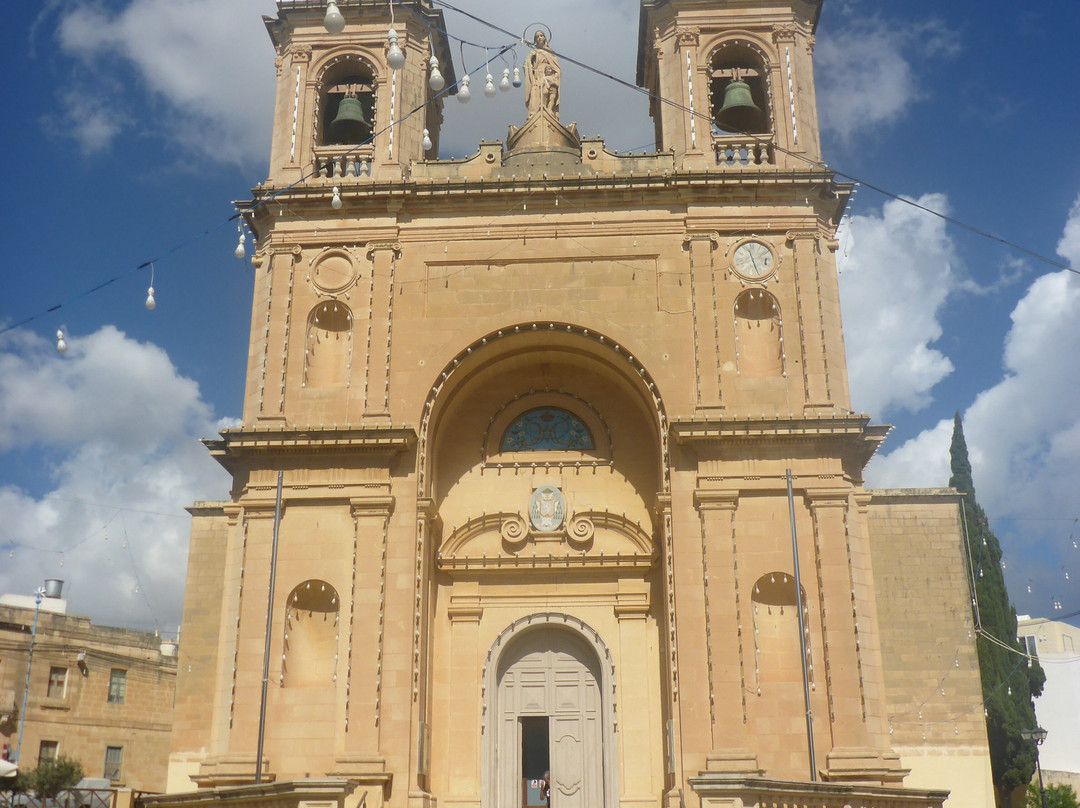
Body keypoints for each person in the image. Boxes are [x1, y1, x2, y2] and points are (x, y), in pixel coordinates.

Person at [524, 31, 560, 117]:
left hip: (547, 76)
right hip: (537, 76)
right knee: (535, 93)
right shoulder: (533, 52)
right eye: (537, 36)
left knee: (548, 93)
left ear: (545, 38)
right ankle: (535, 113)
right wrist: (530, 58)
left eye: (541, 35)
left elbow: (556, 68)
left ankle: (548, 110)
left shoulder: (549, 52)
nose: (539, 37)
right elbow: (526, 65)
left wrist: (554, 76)